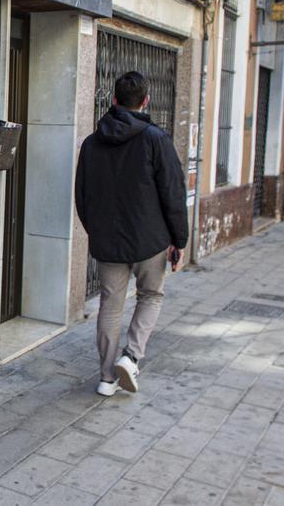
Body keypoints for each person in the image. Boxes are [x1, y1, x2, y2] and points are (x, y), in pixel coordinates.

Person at [74, 71, 189, 397]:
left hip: (108, 242)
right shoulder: (156, 139)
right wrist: (179, 239)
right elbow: (173, 193)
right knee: (151, 296)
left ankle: (107, 377)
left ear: (113, 100)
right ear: (146, 101)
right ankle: (132, 355)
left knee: (111, 304)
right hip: (150, 241)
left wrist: (95, 230)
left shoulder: (92, 142)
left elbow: (82, 196)